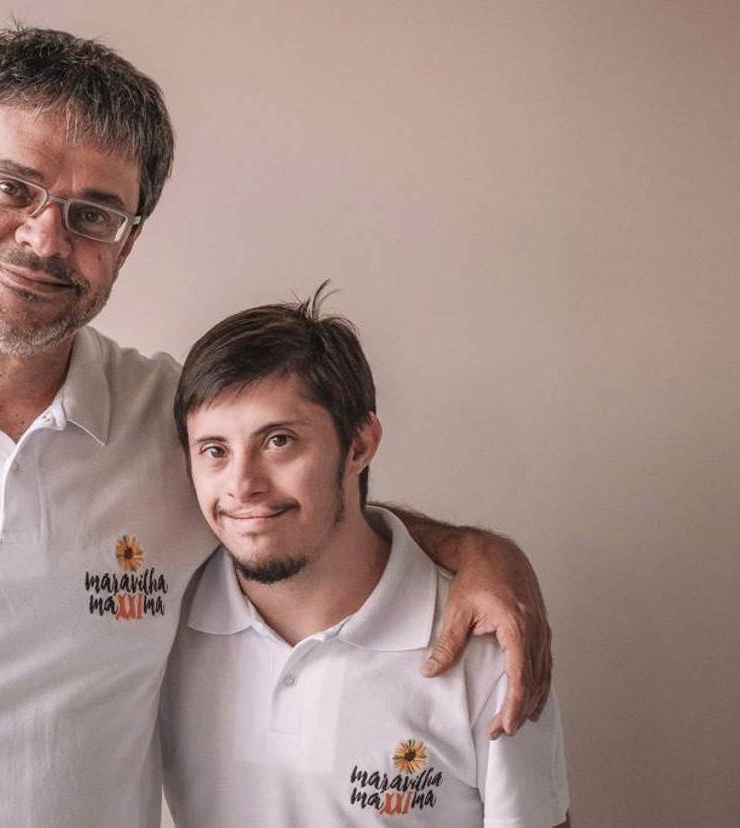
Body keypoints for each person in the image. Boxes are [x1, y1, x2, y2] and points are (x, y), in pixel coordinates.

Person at [0, 26, 552, 827]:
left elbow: (302, 511)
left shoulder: (169, 424)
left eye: (93, 214)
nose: (44, 239)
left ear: (127, 241)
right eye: (10, 186)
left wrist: (478, 556)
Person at [161, 287, 570, 826]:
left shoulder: (487, 649)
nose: (242, 485)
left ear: (359, 445)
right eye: (214, 450)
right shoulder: (161, 626)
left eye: (279, 441)